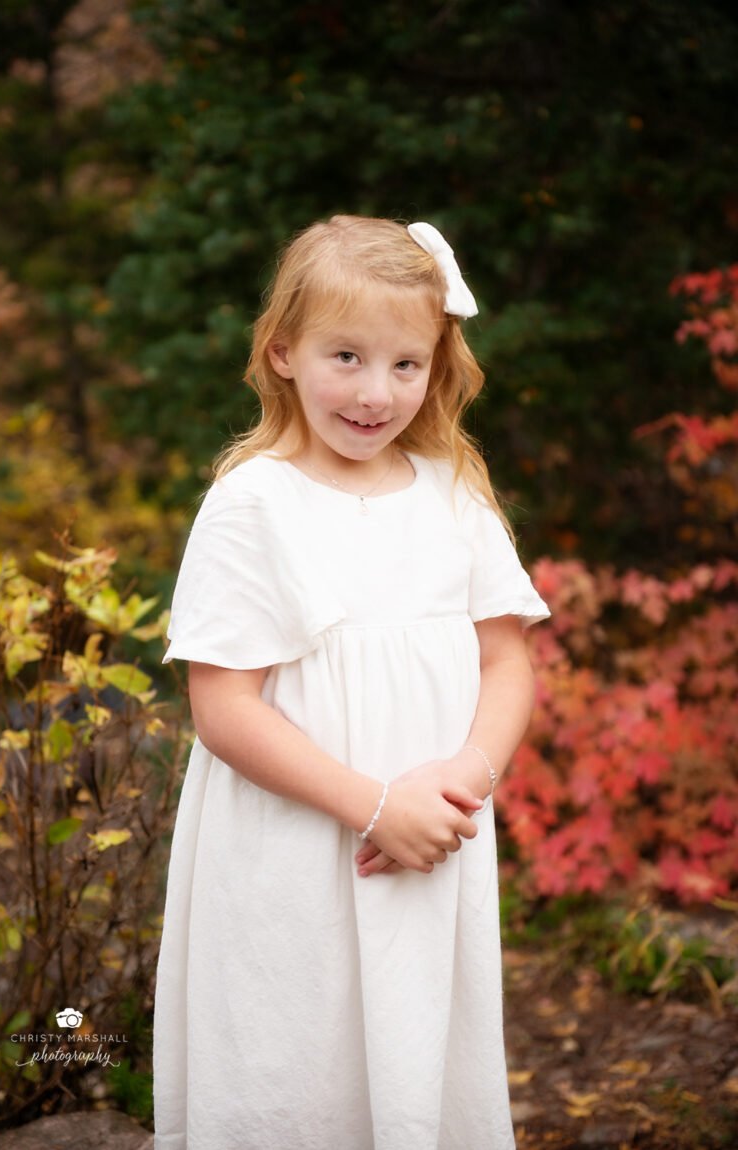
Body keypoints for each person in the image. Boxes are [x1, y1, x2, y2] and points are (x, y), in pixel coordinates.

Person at [153, 215, 550, 1150]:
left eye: (406, 365)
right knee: (298, 1059)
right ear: (282, 351)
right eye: (346, 357)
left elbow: (508, 661)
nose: (377, 393)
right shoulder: (254, 502)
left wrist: (460, 786)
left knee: (414, 1066)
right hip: (300, 849)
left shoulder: (452, 490)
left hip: (433, 842)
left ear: (437, 364)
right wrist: (375, 806)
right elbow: (223, 707)